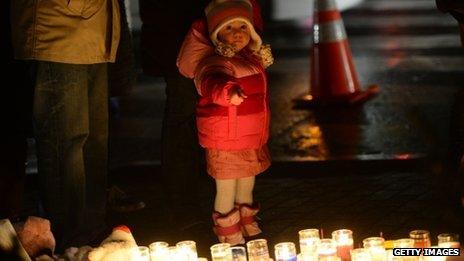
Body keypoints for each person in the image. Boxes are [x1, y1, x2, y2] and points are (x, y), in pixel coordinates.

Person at [10, 0, 120, 250]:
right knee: (65, 145)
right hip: (59, 28)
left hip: (91, 27)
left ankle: (90, 239)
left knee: (93, 144)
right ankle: (66, 242)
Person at [177, 0, 274, 245]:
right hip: (226, 140)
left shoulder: (251, 59)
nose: (237, 33)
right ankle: (227, 233)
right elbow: (211, 82)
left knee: (246, 182)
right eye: (229, 28)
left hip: (248, 138)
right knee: (226, 188)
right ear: (216, 34)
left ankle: (246, 221)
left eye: (243, 27)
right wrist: (227, 92)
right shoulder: (216, 60)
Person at [138, 0, 209, 230]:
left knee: (215, 115)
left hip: (212, 26)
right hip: (179, 36)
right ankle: (186, 207)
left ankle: (219, 202)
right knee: (183, 118)